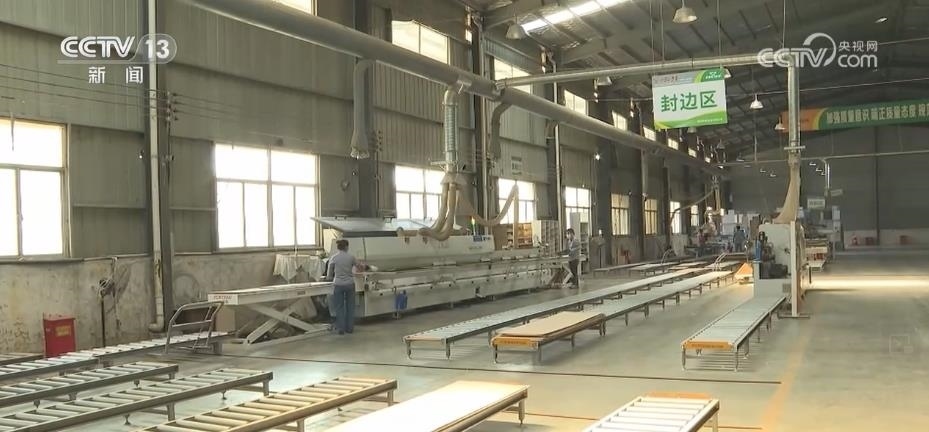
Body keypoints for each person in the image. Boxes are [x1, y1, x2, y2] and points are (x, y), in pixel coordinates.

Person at [326, 239, 362, 335]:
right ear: (346, 247)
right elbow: (360, 267)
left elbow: (329, 274)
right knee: (350, 306)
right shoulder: (351, 257)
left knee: (339, 307)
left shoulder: (334, 258)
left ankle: (341, 328)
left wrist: (330, 278)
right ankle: (349, 329)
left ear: (338, 247)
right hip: (350, 284)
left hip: (338, 284)